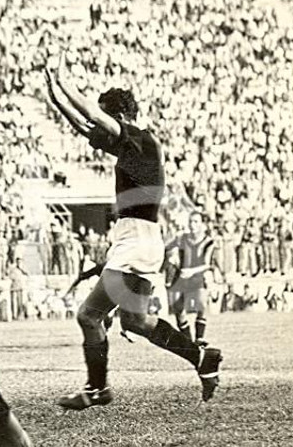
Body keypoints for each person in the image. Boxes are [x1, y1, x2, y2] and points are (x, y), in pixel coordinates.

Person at [44, 54, 222, 407]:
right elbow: (86, 127)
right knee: (136, 321)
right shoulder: (133, 145)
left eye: (107, 117)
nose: (101, 128)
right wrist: (56, 99)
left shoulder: (140, 139)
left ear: (120, 116)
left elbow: (93, 119)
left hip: (135, 239)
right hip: (140, 239)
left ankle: (98, 388)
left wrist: (65, 84)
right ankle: (203, 358)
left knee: (89, 315)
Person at [165, 212, 216, 346]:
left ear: (202, 224)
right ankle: (188, 341)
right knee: (178, 308)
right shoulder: (182, 238)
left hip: (197, 276)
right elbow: (167, 248)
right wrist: (172, 257)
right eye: (191, 222)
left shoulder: (208, 242)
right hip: (181, 276)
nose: (193, 225)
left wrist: (192, 271)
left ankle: (199, 338)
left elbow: (207, 264)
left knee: (201, 304)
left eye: (196, 222)